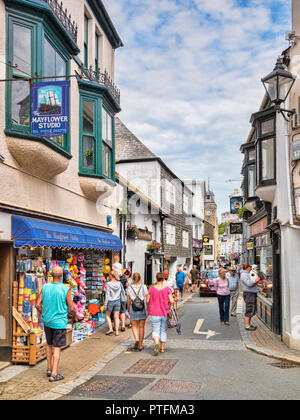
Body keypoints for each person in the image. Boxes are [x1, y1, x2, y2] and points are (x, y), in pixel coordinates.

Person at [36, 266, 77, 382]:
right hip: (59, 323)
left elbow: (37, 304)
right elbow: (72, 307)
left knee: (49, 344)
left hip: (47, 321)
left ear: (51, 275)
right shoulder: (65, 289)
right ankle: (54, 373)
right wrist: (74, 317)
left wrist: (43, 313)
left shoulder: (45, 287)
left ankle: (49, 368)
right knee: (57, 347)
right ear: (62, 276)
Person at [147, 272, 174, 356]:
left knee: (155, 330)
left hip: (154, 312)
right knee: (163, 330)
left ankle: (156, 344)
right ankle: (162, 348)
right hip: (164, 313)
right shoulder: (167, 289)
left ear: (156, 278)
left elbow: (147, 301)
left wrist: (149, 307)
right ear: (163, 279)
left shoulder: (151, 289)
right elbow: (172, 301)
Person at [127, 273, 148, 351]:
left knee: (134, 325)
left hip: (133, 308)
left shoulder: (129, 287)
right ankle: (140, 345)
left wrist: (128, 309)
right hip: (142, 308)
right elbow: (147, 297)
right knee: (141, 326)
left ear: (132, 279)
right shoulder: (144, 287)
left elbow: (128, 299)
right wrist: (147, 308)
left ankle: (136, 339)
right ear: (140, 279)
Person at [105, 270, 126, 336]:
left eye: (109, 275)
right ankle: (117, 331)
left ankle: (111, 329)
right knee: (116, 317)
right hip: (118, 301)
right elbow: (122, 292)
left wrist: (105, 304)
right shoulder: (119, 283)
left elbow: (107, 295)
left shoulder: (108, 284)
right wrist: (123, 300)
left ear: (111, 276)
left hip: (110, 301)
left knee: (107, 315)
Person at [240, 263, 260, 331]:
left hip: (250, 293)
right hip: (249, 293)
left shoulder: (246, 274)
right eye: (250, 267)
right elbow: (249, 284)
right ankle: (247, 325)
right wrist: (256, 281)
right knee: (249, 309)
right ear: (247, 267)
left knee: (251, 309)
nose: (251, 268)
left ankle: (249, 324)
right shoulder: (244, 275)